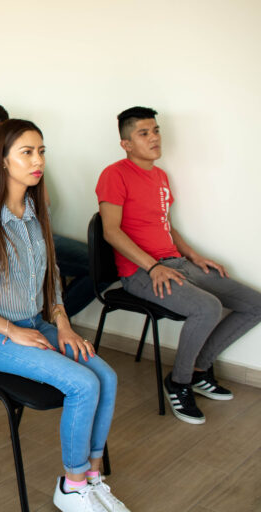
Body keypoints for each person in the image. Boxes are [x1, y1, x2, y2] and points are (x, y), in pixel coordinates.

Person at [0, 119, 126, 512]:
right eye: (26, 152)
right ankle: (72, 486)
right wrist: (12, 330)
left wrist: (63, 324)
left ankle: (93, 478)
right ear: (2, 160)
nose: (37, 160)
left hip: (37, 324)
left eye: (41, 151)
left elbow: (51, 279)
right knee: (83, 384)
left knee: (107, 377)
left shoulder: (35, 210)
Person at [96, 106, 261, 425]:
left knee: (255, 304)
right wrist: (152, 267)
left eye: (156, 130)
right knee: (208, 308)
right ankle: (179, 382)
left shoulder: (160, 176)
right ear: (126, 144)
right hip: (139, 272)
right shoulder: (114, 174)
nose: (154, 137)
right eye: (144, 133)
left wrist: (194, 256)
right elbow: (111, 231)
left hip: (176, 263)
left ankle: (199, 369)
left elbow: (166, 226)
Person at [0, 101, 100, 317]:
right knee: (92, 264)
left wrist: (32, 170)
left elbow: (42, 205)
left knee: (99, 263)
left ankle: (52, 315)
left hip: (30, 229)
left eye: (41, 152)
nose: (1, 137)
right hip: (2, 243)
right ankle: (44, 315)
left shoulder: (26, 163)